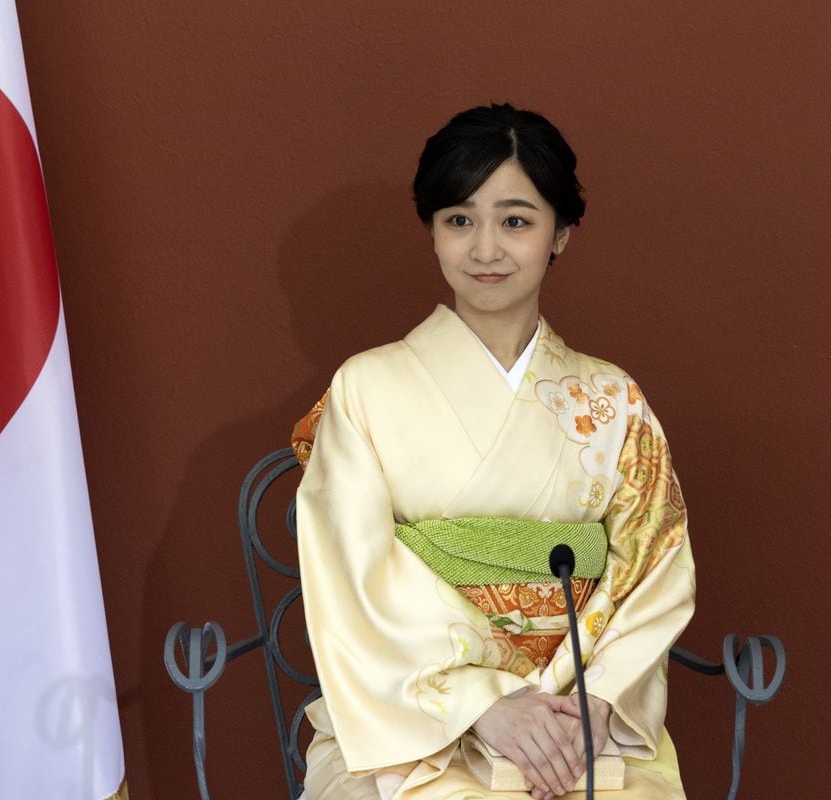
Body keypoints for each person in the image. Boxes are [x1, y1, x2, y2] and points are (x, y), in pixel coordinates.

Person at [291, 103, 695, 800]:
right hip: (418, 718)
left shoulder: (612, 398)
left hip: (581, 721)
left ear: (560, 234)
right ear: (432, 232)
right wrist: (485, 704)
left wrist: (595, 704)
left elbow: (654, 566)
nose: (484, 249)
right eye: (459, 220)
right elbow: (352, 571)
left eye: (516, 220)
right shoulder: (366, 387)